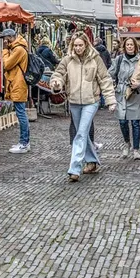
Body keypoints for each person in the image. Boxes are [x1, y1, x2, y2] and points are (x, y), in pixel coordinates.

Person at [49, 34, 117, 182]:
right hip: (74, 101)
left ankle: (74, 168)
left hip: (91, 101)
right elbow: (58, 74)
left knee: (80, 133)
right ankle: (92, 161)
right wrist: (56, 83)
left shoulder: (95, 59)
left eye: (81, 45)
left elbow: (105, 79)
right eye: (76, 45)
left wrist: (111, 100)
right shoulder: (67, 60)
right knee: (83, 133)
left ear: (86, 45)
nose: (78, 48)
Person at [110, 37, 140, 160]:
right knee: (122, 121)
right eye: (127, 45)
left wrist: (139, 84)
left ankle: (136, 149)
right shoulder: (119, 60)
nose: (130, 47)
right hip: (121, 94)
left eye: (132, 45)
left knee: (135, 122)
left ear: (135, 46)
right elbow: (110, 74)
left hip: (135, 94)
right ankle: (127, 142)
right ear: (124, 46)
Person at [3, 28, 33, 153]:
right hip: (17, 83)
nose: (4, 41)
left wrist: (4, 51)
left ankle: (24, 143)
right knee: (21, 113)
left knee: (21, 114)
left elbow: (6, 64)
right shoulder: (17, 48)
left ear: (10, 37)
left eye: (5, 39)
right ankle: (24, 142)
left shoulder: (19, 49)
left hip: (18, 84)